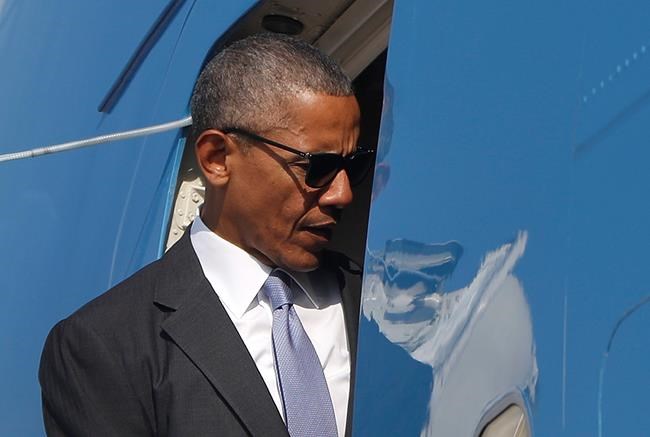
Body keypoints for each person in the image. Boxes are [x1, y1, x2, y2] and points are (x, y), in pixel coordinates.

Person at [39, 33, 373, 437]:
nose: (343, 194)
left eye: (353, 167)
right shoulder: (107, 344)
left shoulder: (384, 303)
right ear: (217, 159)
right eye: (317, 167)